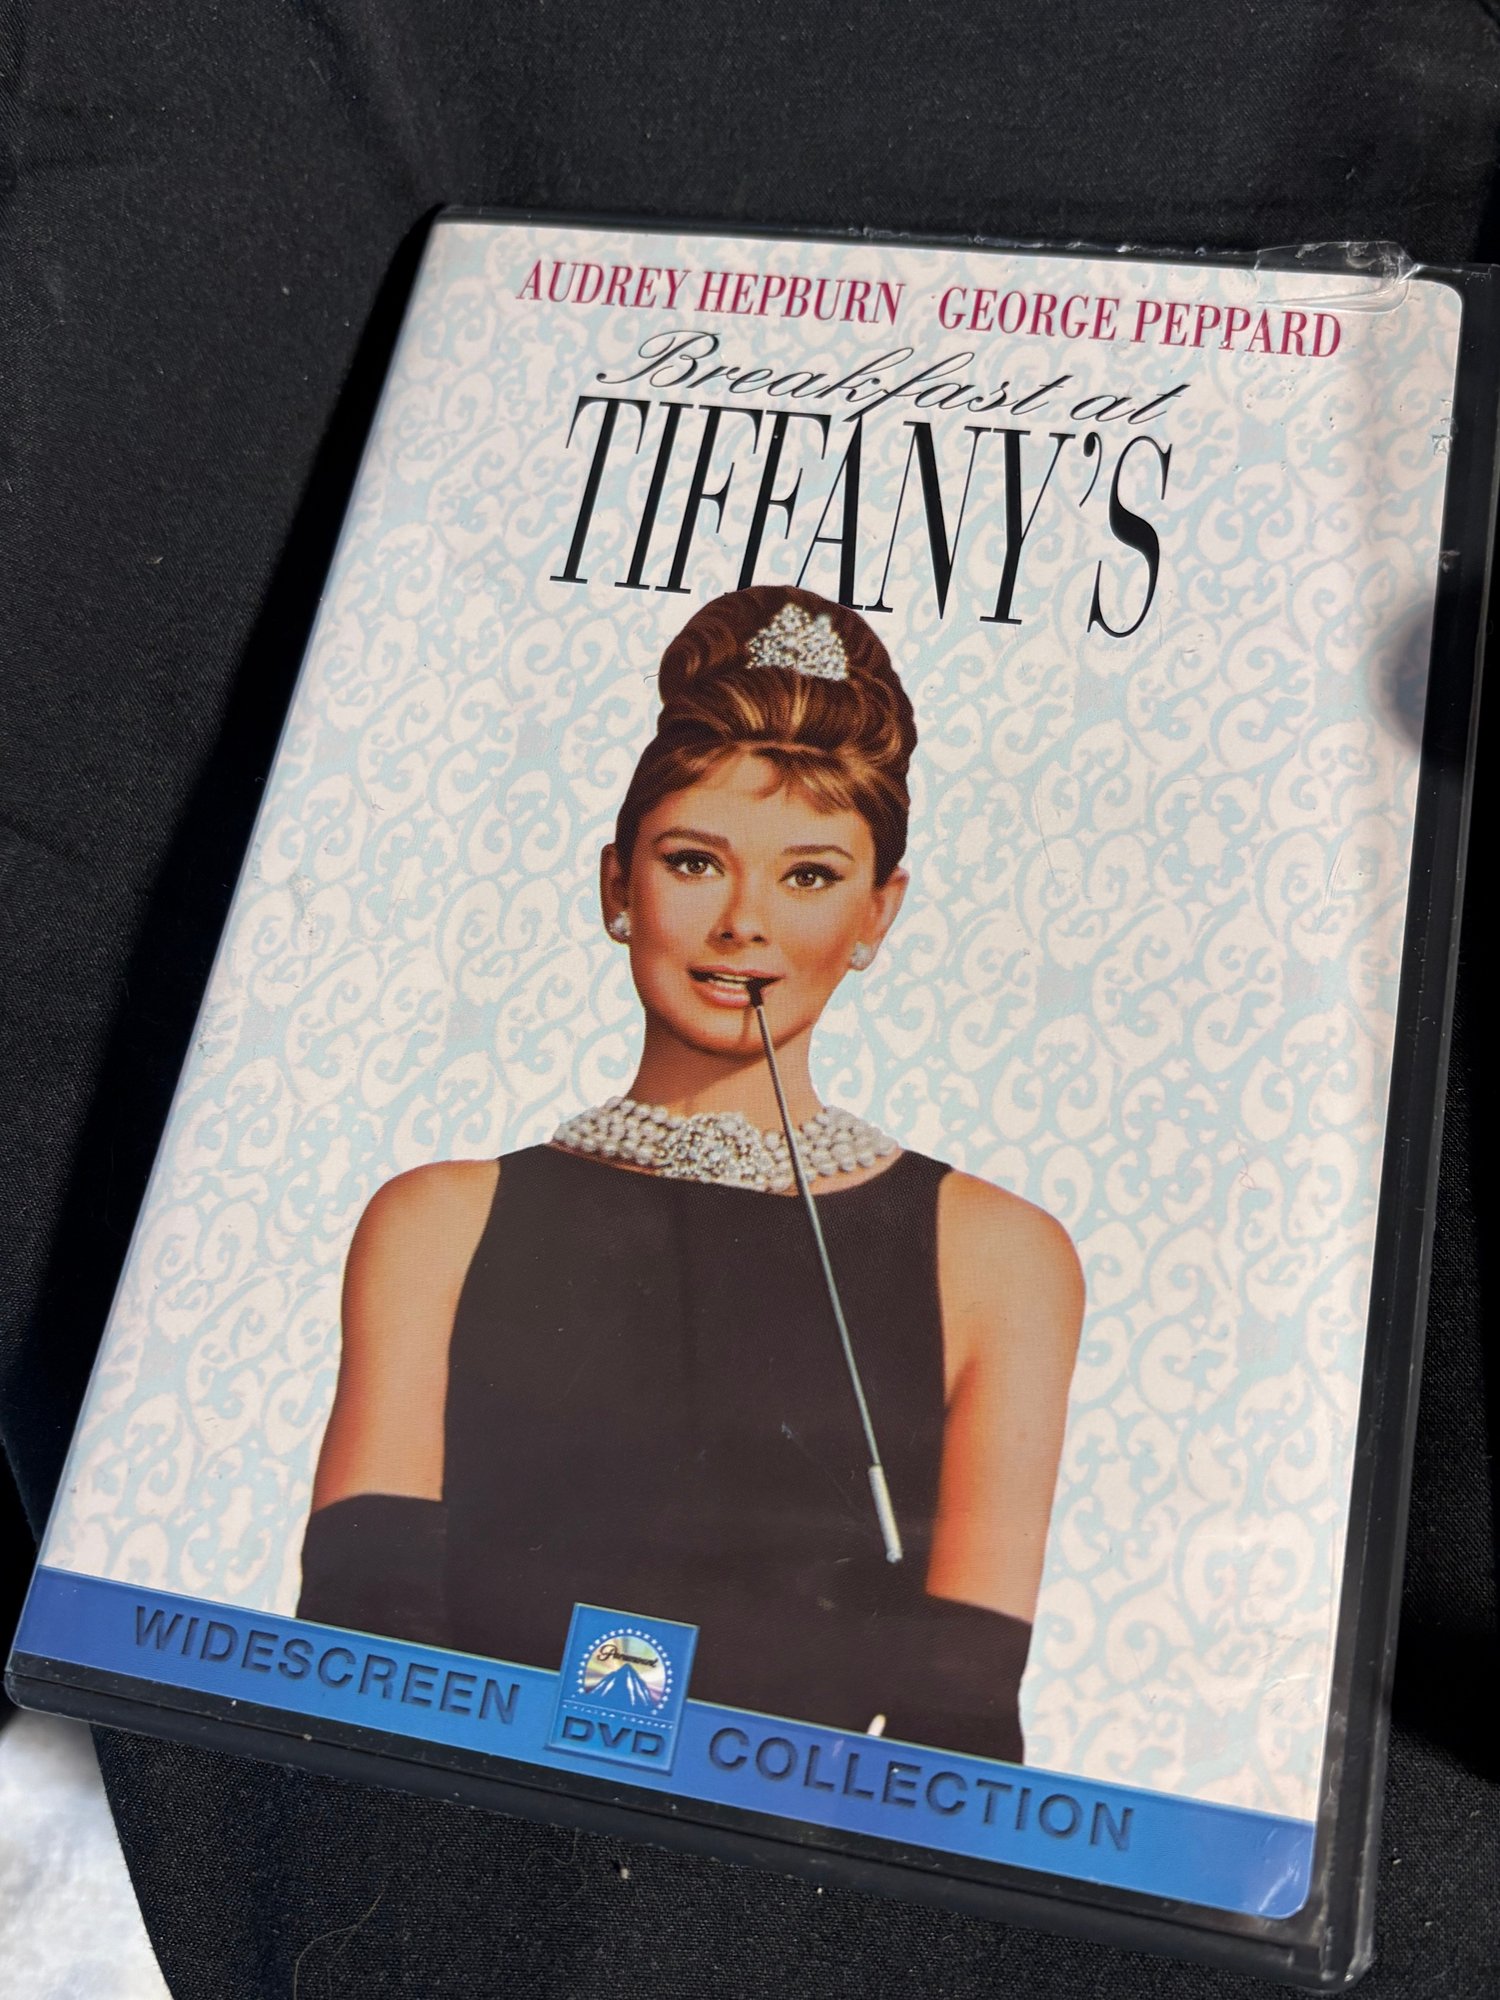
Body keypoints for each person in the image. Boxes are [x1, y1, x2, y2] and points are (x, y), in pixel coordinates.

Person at [299, 584, 1083, 1762]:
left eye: (809, 875)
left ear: (879, 913)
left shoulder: (998, 1259)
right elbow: (360, 1648)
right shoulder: (436, 1223)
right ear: (618, 883)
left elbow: (957, 1734)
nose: (743, 924)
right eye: (695, 860)